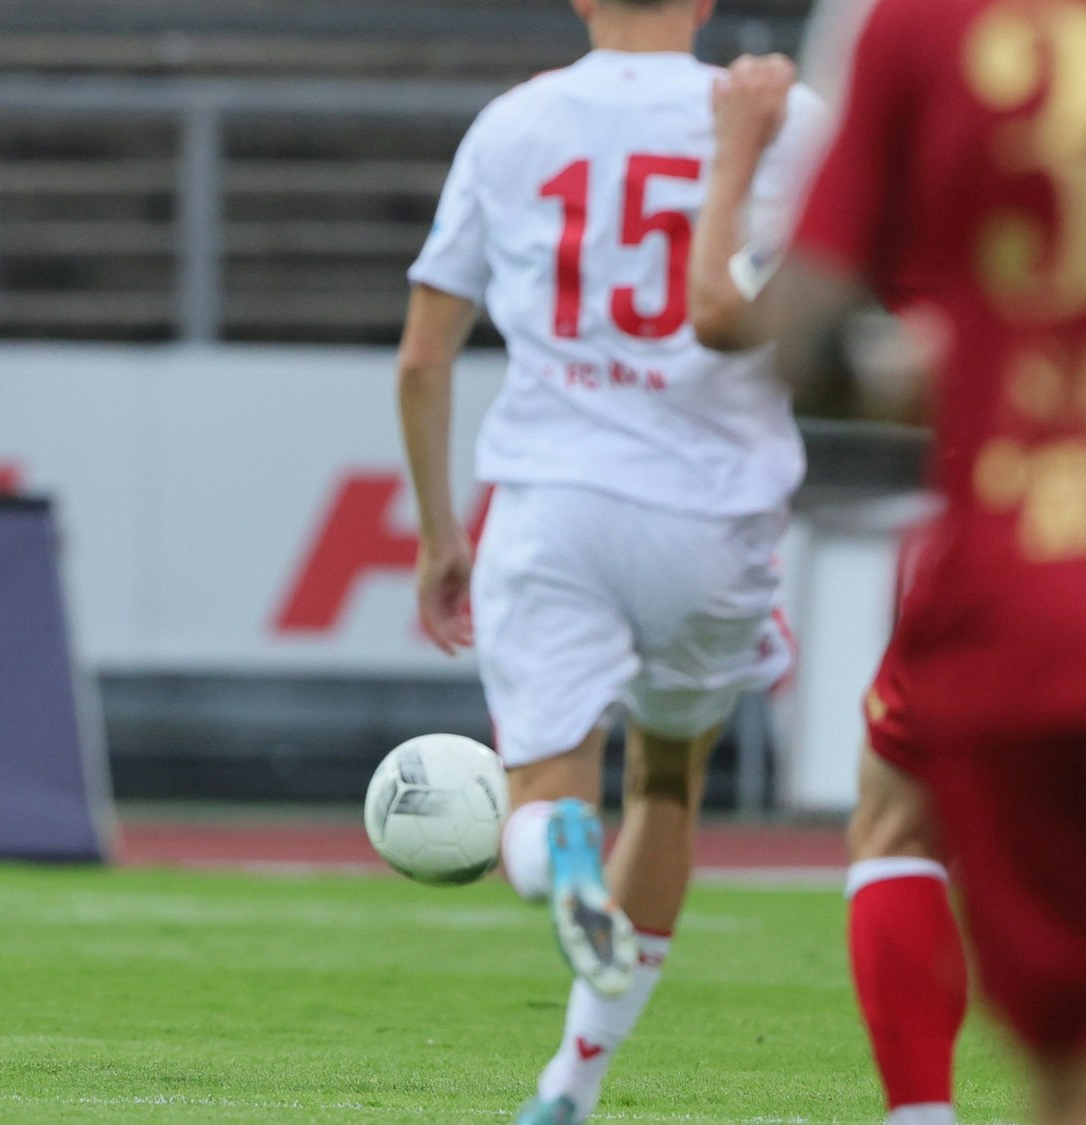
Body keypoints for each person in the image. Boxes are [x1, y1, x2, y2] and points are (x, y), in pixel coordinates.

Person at [395, 0, 823, 1118]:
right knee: (670, 784)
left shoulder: (511, 124)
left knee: (528, 812)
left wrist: (442, 530)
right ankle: (572, 1082)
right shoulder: (782, 112)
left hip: (552, 497)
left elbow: (420, 358)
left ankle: (554, 850)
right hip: (710, 505)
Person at [768, 0, 1086, 1118]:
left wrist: (926, 368)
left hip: (1025, 568)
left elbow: (802, 331)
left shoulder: (909, 24)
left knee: (896, 809)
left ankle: (918, 1114)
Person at [689, 58, 965, 1125]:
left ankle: (921, 1117)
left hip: (1012, 528)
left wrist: (732, 170)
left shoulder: (931, 54)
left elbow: (743, 322)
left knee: (897, 828)